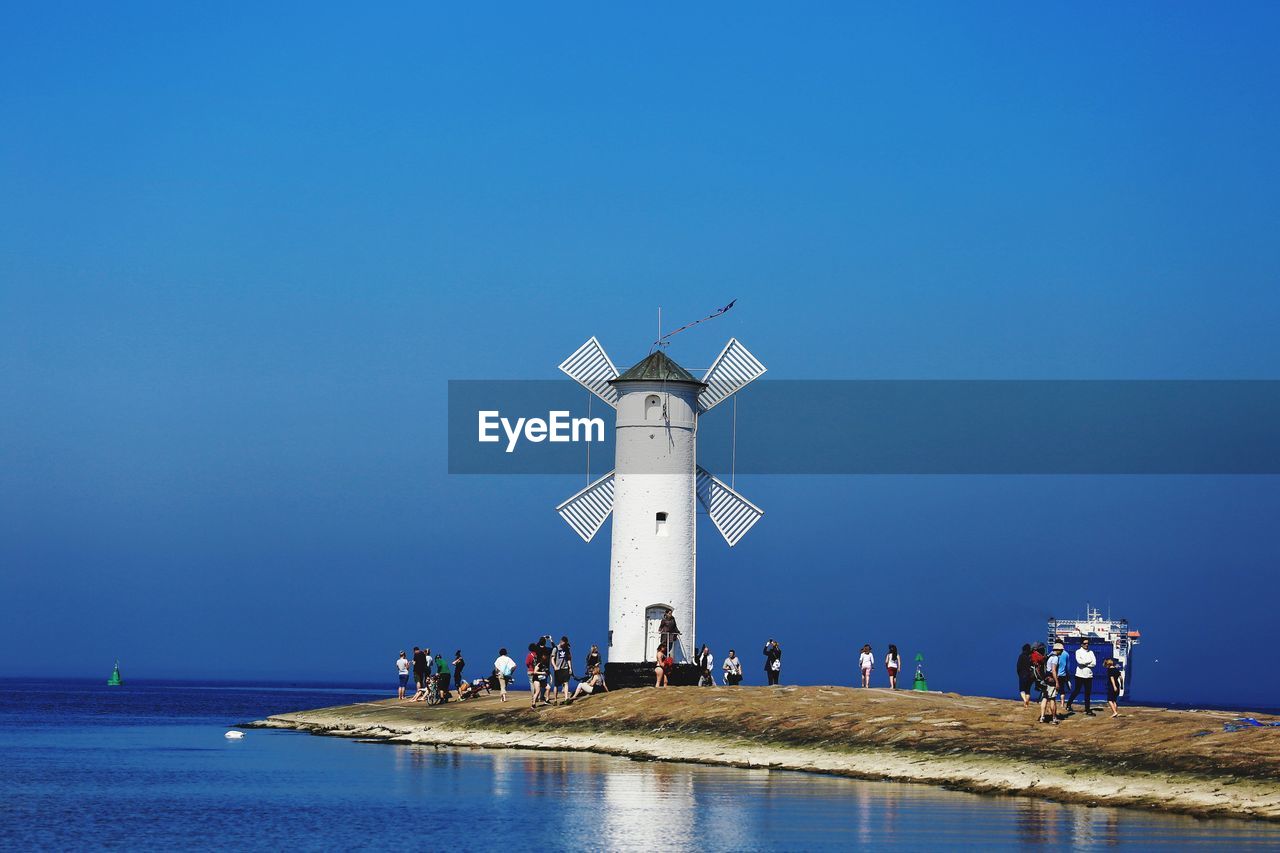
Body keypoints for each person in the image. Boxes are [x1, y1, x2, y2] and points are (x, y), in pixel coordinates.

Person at [1066, 637, 1097, 716]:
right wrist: (1089, 662)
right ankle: (1068, 704)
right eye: (1085, 643)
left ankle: (1087, 709)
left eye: (1087, 643)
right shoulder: (1078, 651)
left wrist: (1085, 663)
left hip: (1089, 675)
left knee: (1088, 693)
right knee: (1077, 690)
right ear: (1081, 644)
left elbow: (1094, 664)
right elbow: (1079, 662)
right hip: (1079, 675)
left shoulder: (1091, 652)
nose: (1086, 645)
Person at [1038, 642, 1061, 724]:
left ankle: (1042, 717)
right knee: (1052, 699)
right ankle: (1054, 718)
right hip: (1051, 680)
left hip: (1045, 679)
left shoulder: (1049, 656)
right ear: (1058, 650)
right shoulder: (1055, 658)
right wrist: (1057, 682)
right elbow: (1054, 670)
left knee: (1044, 698)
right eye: (1061, 650)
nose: (1062, 651)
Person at [551, 637, 573, 704]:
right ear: (561, 641)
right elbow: (552, 659)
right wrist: (554, 666)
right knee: (556, 685)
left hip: (565, 668)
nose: (564, 644)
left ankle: (566, 698)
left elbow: (568, 659)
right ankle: (555, 700)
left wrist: (570, 668)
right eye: (563, 642)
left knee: (566, 683)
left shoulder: (567, 649)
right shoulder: (556, 648)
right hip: (558, 669)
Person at [526, 642, 546, 708]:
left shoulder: (529, 655)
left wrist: (530, 667)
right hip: (538, 671)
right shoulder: (537, 654)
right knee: (540, 685)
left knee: (532, 685)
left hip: (531, 671)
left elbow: (527, 663)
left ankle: (534, 698)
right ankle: (539, 697)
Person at [1016, 643, 1033, 708]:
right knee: (1028, 690)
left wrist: (1019, 674)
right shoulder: (1030, 656)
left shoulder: (1021, 656)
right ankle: (1026, 704)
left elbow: (1018, 666)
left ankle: (1025, 700)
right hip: (1030, 675)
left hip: (1022, 675)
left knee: (1022, 690)